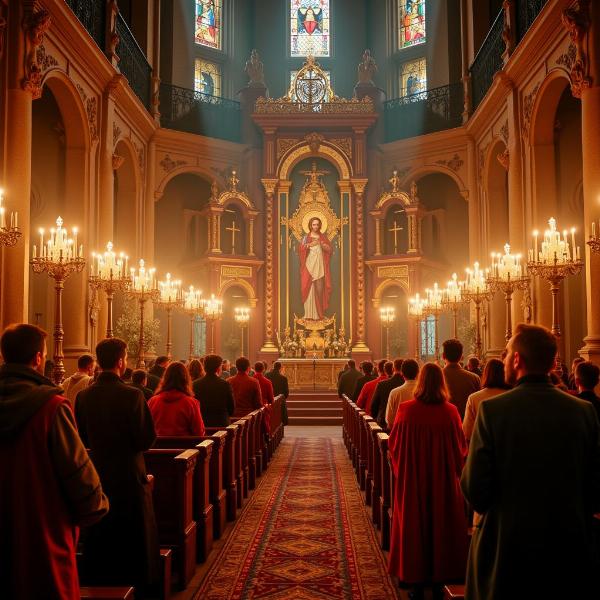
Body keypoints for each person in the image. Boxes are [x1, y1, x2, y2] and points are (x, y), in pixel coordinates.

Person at [461, 324, 600, 600]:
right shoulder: (583, 412)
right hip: (569, 549)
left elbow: (474, 489)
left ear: (516, 359)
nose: (503, 360)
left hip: (505, 549)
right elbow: (596, 490)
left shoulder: (492, 411)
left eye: (507, 353)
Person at [0, 324, 109, 599]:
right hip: (41, 528)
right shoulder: (50, 407)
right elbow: (76, 469)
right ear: (38, 358)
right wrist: (96, 506)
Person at [75, 338, 160, 596]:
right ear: (122, 362)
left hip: (98, 471)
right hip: (129, 473)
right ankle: (137, 583)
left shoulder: (83, 396)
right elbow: (146, 439)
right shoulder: (133, 395)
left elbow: (83, 437)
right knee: (133, 533)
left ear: (99, 361)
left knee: (102, 530)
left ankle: (101, 582)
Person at [388, 363, 468, 599]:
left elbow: (395, 446)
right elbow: (460, 448)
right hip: (443, 478)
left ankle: (414, 579)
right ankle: (441, 576)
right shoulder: (451, 411)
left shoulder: (406, 410)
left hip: (413, 479)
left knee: (414, 523)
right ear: (442, 383)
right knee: (442, 521)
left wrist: (402, 469)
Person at [149, 362, 205, 436]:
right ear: (186, 379)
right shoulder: (191, 403)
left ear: (165, 378)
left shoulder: (153, 401)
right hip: (184, 446)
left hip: (157, 446)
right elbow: (199, 432)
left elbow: (146, 428)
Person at [462, 358, 511, 442]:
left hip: (483, 446)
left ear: (485, 374)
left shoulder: (474, 398)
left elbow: (467, 432)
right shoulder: (512, 395)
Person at [299, 216, 332, 320]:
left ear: (320, 225)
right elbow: (300, 248)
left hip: (319, 266)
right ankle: (309, 314)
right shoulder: (305, 237)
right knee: (307, 287)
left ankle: (319, 314)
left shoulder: (323, 237)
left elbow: (329, 249)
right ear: (310, 225)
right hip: (309, 265)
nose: (315, 226)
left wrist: (321, 244)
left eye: (317, 224)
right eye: (313, 224)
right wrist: (309, 244)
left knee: (319, 289)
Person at [442, 339, 480, 420]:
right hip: (466, 425)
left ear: (443, 356)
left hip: (442, 425)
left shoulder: (436, 377)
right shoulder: (474, 378)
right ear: (461, 356)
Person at [193, 354, 235, 427]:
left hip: (202, 423)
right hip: (221, 424)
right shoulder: (224, 384)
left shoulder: (195, 384)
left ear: (204, 367)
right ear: (218, 368)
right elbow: (231, 408)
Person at [371, 358, 405, 428]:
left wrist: (377, 418)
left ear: (393, 369)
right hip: (404, 423)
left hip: (384, 424)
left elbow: (374, 406)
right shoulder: (408, 384)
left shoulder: (382, 384)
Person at [385, 359, 420, 428]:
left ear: (402, 373)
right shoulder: (424, 391)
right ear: (418, 372)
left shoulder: (394, 392)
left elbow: (389, 421)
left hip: (400, 433)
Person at [266, 360, 289, 425]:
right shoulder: (283, 378)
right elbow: (286, 393)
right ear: (280, 368)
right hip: (280, 402)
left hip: (269, 401)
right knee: (280, 419)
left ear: (273, 366)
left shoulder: (267, 375)